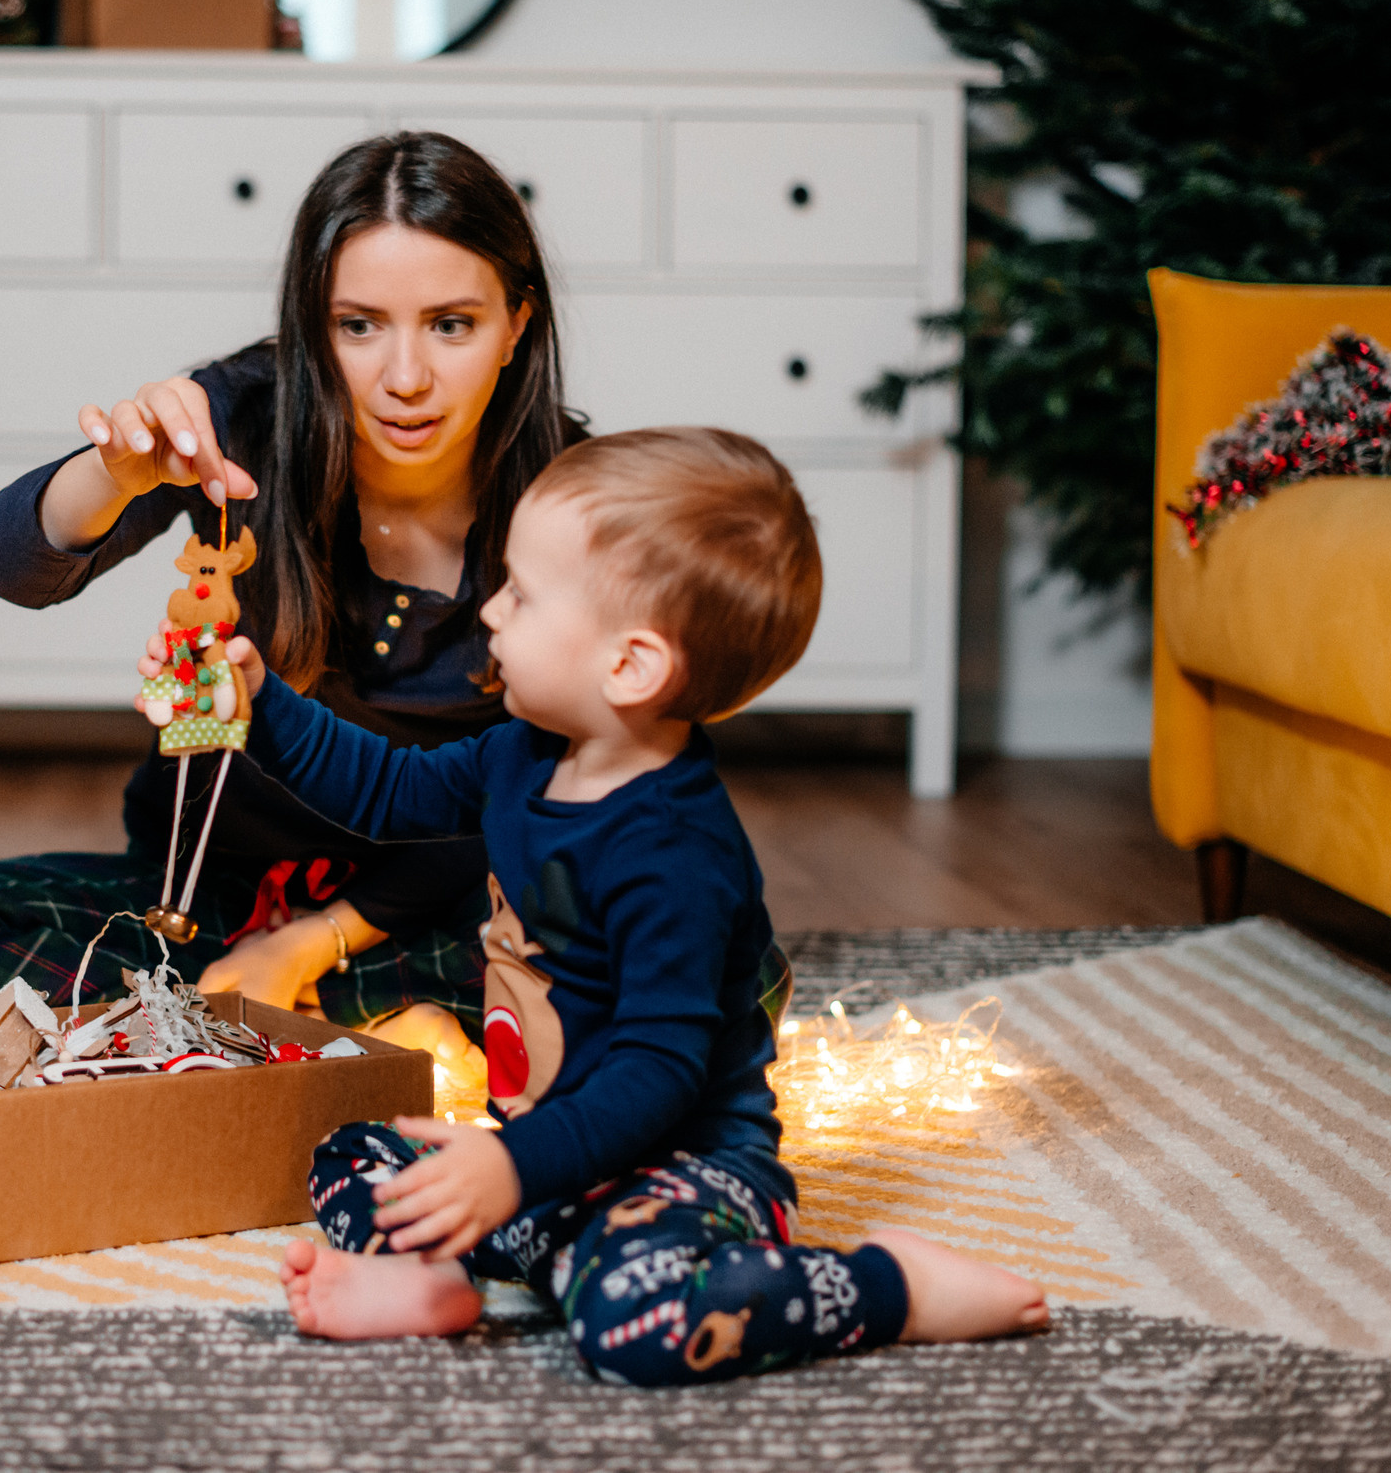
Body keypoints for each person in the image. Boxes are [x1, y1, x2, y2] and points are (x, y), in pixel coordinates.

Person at [219, 427, 1047, 1383]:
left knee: (634, 1325)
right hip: (547, 1163)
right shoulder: (520, 754)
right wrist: (258, 701)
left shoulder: (675, 852)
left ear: (631, 666)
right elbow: (383, 788)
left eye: (522, 594)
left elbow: (660, 1068)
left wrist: (514, 1169)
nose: (489, 607)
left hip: (680, 1173)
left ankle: (887, 1284)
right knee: (353, 1151)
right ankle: (435, 1280)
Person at [0, 133, 584, 1042]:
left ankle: (248, 1021)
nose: (405, 378)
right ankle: (328, 1028)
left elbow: (542, 786)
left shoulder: (575, 499)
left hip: (436, 904)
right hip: (202, 896)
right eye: (358, 325)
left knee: (714, 965)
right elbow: (8, 568)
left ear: (517, 321)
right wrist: (117, 471)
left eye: (451, 324)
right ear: (313, 327)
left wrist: (313, 943)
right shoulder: (241, 413)